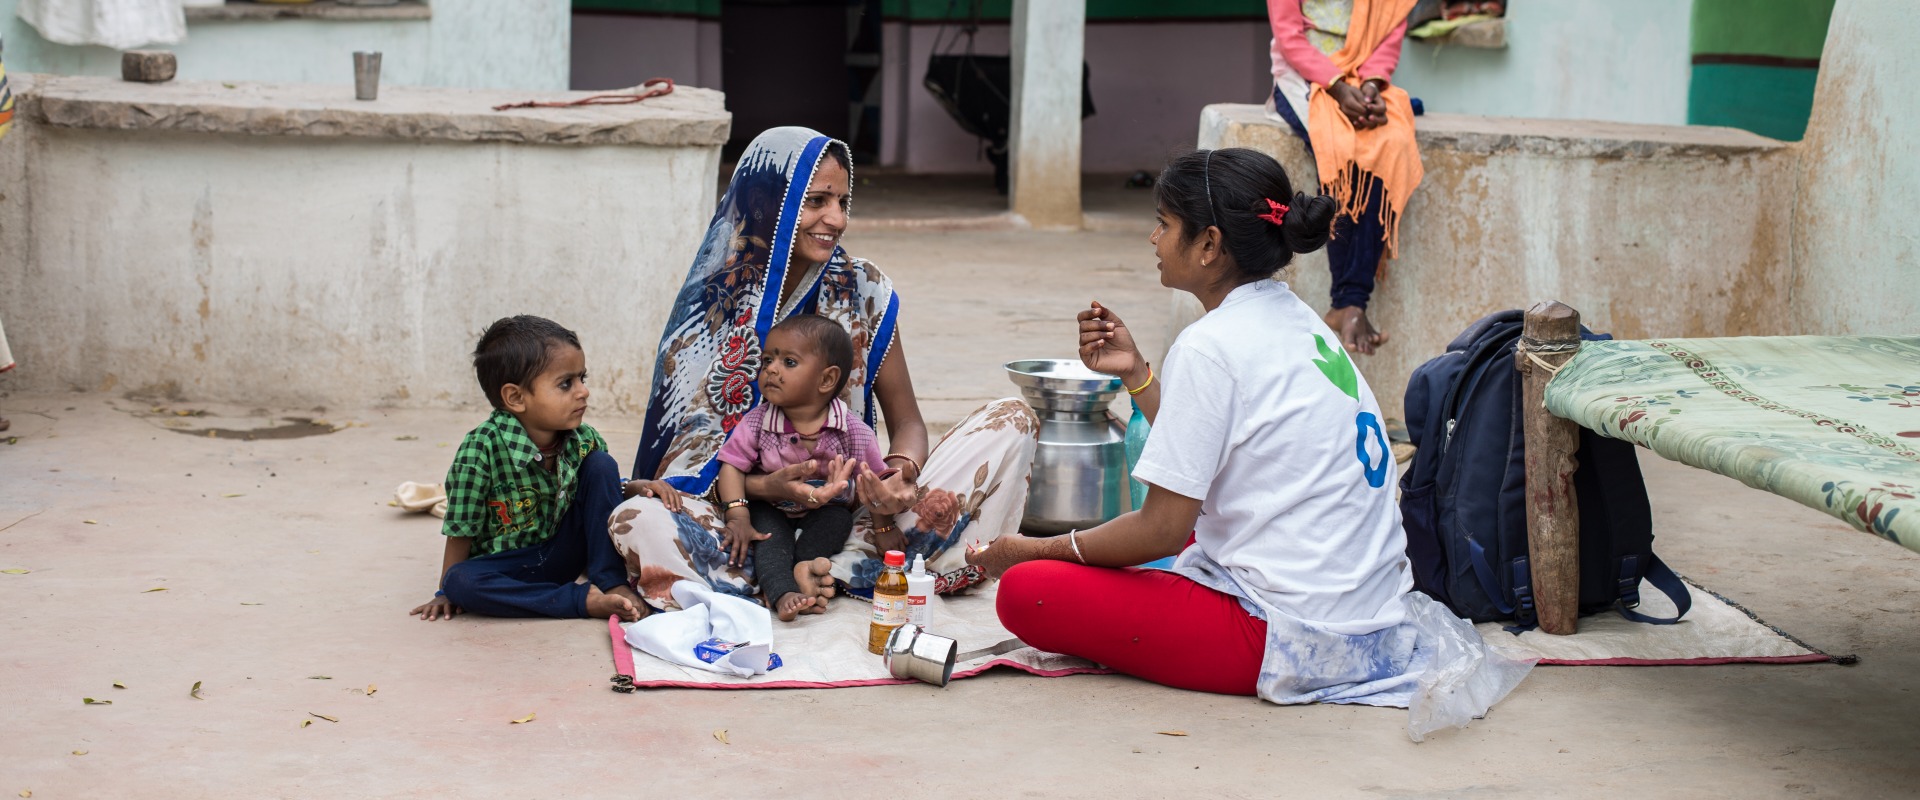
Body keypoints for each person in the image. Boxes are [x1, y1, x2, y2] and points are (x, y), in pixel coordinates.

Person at [967, 149, 1527, 717]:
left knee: (1028, 590)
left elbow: (1162, 529)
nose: (1153, 238)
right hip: (1370, 617)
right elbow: (1208, 453)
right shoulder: (1296, 320)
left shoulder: (1210, 345)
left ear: (1209, 245)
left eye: (1164, 224)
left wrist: (1029, 550)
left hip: (1287, 634)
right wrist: (1137, 374)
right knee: (1150, 545)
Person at [610, 126, 1038, 610]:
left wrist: (896, 478)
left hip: (853, 513)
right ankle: (815, 575)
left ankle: (825, 571)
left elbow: (908, 421)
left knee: (1011, 420)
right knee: (638, 518)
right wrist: (762, 488)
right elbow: (690, 456)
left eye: (842, 202)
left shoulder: (864, 287)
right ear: (768, 202)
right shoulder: (715, 300)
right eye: (815, 201)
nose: (835, 219)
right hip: (743, 519)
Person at [410, 315, 643, 622]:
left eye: (581, 379)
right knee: (460, 581)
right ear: (516, 397)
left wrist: (632, 487)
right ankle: (582, 602)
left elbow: (596, 494)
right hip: (509, 564)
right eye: (565, 384)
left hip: (565, 551)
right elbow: (460, 531)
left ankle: (610, 581)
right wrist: (444, 592)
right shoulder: (480, 450)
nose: (582, 391)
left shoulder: (584, 439)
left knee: (602, 465)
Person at [1267, 0, 1425, 355]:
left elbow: (1389, 28)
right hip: (1304, 81)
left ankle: (1347, 304)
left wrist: (1370, 87)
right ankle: (1352, 300)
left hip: (1364, 82)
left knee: (1392, 145)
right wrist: (1337, 88)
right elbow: (1290, 39)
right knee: (1342, 153)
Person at [714, 314, 890, 621]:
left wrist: (885, 527)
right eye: (768, 359)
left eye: (788, 362)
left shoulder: (853, 431)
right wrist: (738, 515)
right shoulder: (757, 422)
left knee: (837, 522)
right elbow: (731, 466)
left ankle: (804, 568)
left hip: (826, 510)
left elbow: (874, 482)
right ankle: (782, 593)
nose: (770, 369)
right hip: (771, 507)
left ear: (826, 379)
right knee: (767, 538)